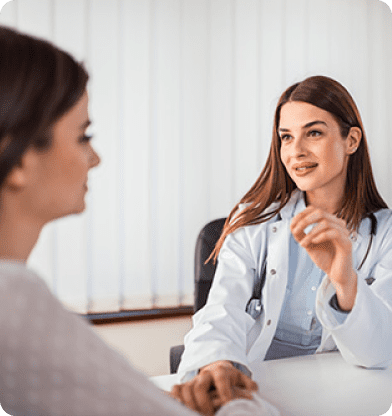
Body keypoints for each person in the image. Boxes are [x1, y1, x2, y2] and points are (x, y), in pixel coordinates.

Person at [0, 26, 280, 416]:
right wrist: (236, 402)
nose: (95, 158)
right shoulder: (14, 303)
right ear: (19, 157)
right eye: (84, 136)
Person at [177, 75, 392, 403]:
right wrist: (216, 362)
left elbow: (380, 351)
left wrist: (345, 281)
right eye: (286, 137)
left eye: (314, 133)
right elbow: (222, 309)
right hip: (264, 391)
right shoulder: (253, 223)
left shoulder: (386, 234)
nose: (296, 151)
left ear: (351, 140)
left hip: (346, 394)